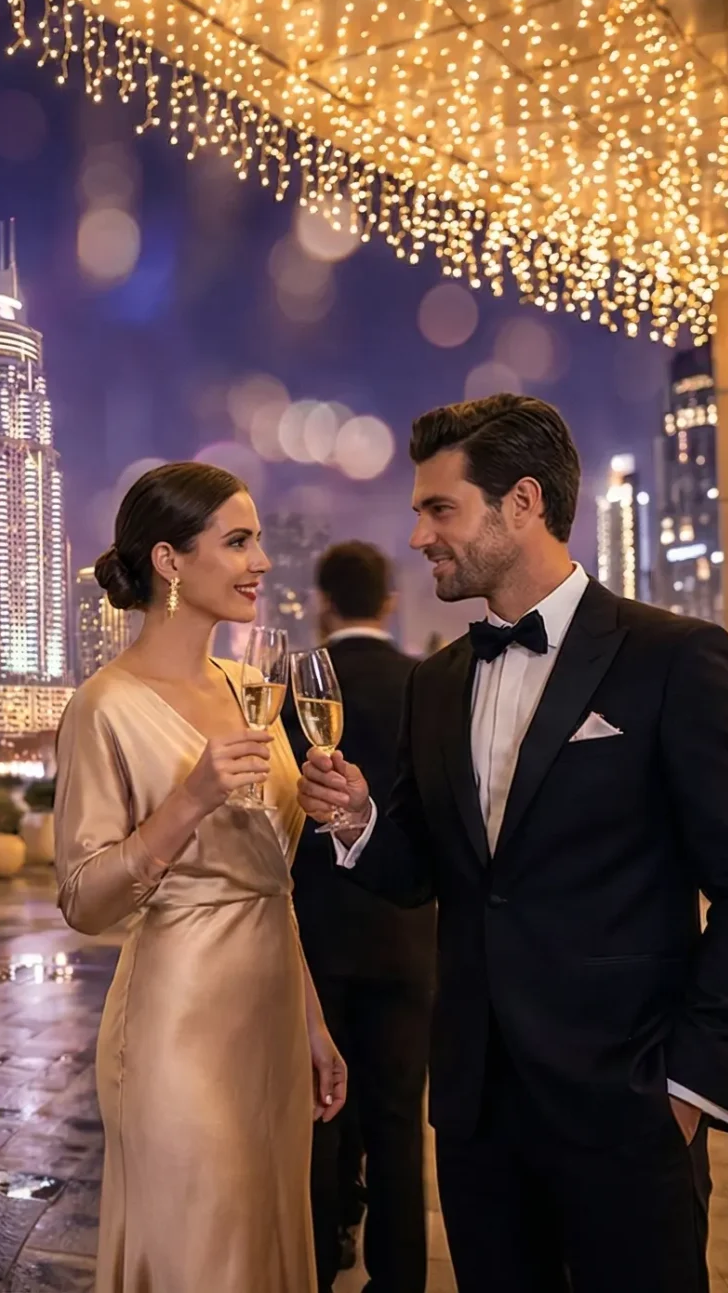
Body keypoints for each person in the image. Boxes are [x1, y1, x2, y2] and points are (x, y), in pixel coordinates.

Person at [298, 396, 728, 1293]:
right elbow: (423, 872)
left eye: (438, 508)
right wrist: (358, 820)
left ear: (522, 503)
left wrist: (690, 1086)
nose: (417, 536)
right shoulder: (439, 681)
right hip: (478, 1113)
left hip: (629, 1108)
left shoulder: (676, 658)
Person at [54, 461, 345, 1291]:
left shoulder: (250, 686)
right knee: (199, 1252)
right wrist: (190, 799)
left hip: (274, 1020)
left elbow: (271, 881)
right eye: (239, 541)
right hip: (178, 1025)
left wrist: (314, 1022)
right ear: (170, 561)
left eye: (257, 540)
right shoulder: (103, 704)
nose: (260, 561)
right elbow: (82, 897)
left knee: (270, 1242)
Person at [282, 542, 436, 1291]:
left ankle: (319, 1254)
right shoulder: (425, 683)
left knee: (319, 1114)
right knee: (400, 1121)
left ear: (322, 603)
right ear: (389, 601)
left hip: (314, 937)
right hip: (408, 938)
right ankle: (399, 1275)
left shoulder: (287, 692)